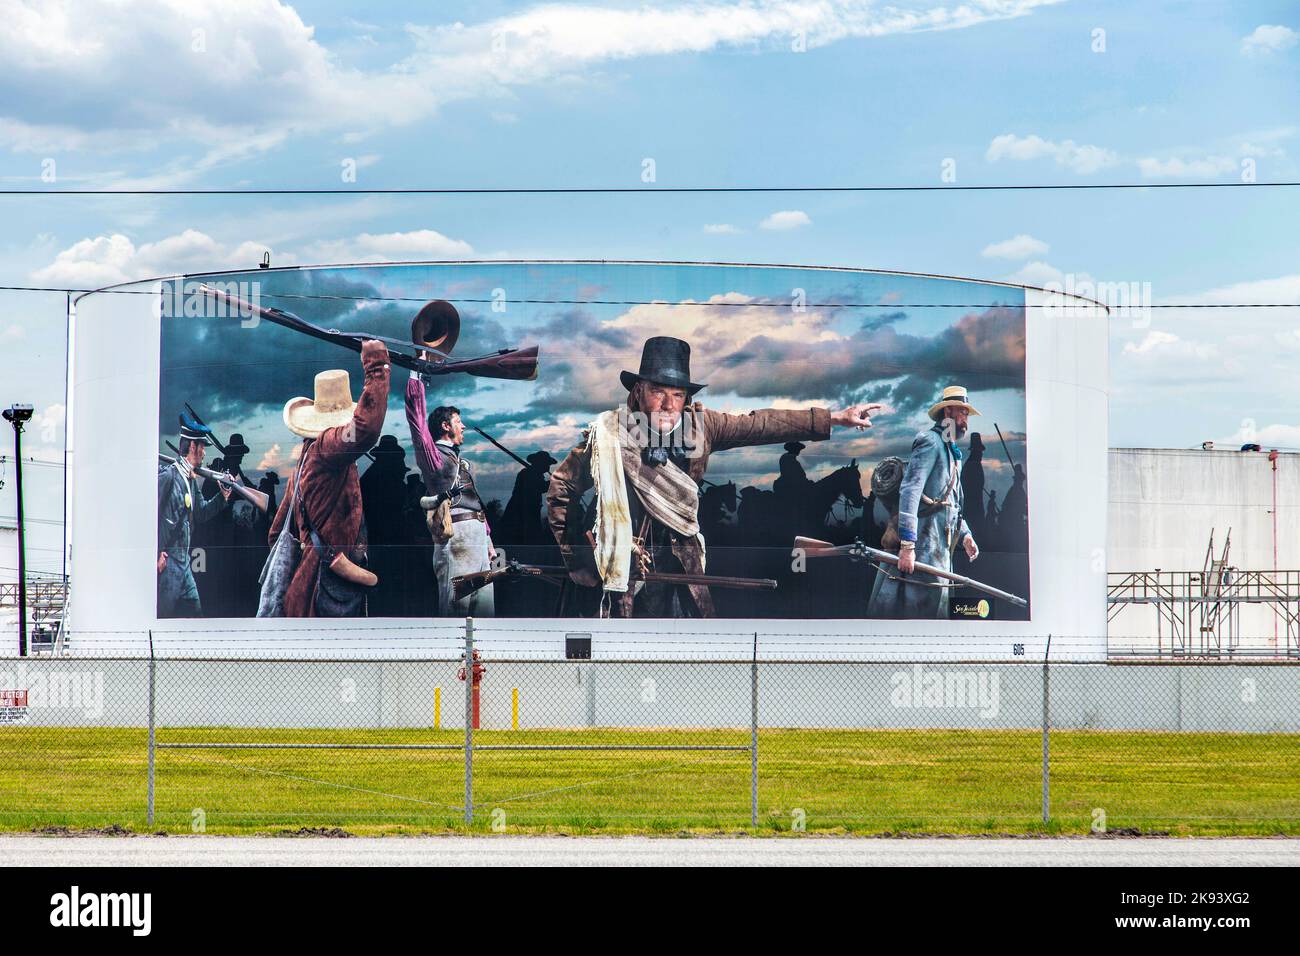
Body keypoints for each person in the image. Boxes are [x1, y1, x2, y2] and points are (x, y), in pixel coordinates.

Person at [546, 335, 882, 617]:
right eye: (658, 392)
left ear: (687, 398)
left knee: (685, 652)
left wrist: (833, 418)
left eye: (677, 394)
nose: (667, 403)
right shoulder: (609, 436)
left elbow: (760, 424)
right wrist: (580, 556)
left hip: (683, 563)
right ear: (638, 392)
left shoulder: (703, 427)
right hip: (623, 569)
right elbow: (562, 486)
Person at [266, 340, 390, 617]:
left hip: (306, 588)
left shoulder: (302, 463)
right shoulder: (325, 449)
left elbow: (276, 534)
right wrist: (376, 367)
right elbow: (366, 430)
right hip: (326, 591)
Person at [867, 385, 980, 619]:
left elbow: (953, 503)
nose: (966, 419)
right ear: (948, 411)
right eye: (963, 413)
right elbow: (910, 490)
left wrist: (966, 535)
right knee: (915, 613)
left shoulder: (953, 453)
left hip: (940, 550)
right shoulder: (930, 441)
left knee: (937, 611)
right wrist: (908, 547)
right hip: (922, 549)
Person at [405, 366, 498, 617]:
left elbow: (474, 502)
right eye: (459, 421)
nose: (464, 426)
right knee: (458, 609)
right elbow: (417, 422)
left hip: (476, 538)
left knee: (484, 610)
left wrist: (487, 541)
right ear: (446, 426)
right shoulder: (434, 456)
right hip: (456, 536)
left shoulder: (461, 461)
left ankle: (479, 657)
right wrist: (416, 375)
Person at [157, 417, 231, 616]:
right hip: (169, 562)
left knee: (195, 613)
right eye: (202, 446)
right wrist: (155, 552)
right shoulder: (168, 477)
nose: (204, 452)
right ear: (192, 446)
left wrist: (222, 497)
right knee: (163, 616)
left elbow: (201, 513)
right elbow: (149, 516)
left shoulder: (190, 480)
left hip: (184, 564)